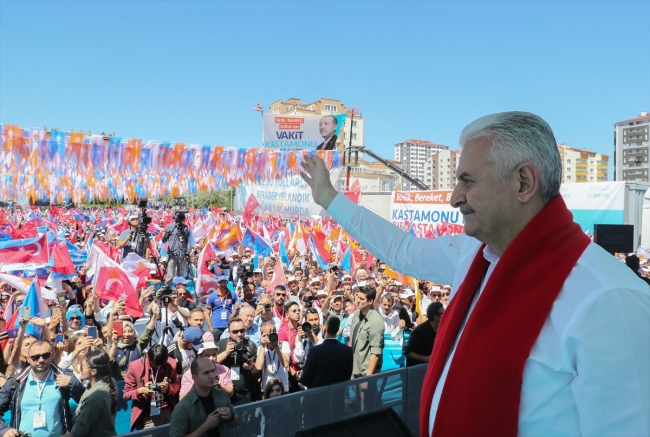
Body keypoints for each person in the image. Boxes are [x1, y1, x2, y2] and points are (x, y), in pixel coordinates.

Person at [299, 111, 650, 437]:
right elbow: (403, 251)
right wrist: (329, 198)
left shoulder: (610, 300)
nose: (454, 198)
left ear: (524, 182)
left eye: (467, 181)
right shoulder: (475, 253)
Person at [0, 340, 85, 437]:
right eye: (35, 357)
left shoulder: (65, 377)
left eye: (45, 355)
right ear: (28, 359)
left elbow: (88, 403)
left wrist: (72, 384)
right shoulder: (16, 382)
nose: (40, 360)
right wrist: (4, 430)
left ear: (52, 355)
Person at [169, 357, 239, 437]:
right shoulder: (182, 407)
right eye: (206, 373)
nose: (212, 376)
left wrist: (231, 417)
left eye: (213, 371)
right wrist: (205, 427)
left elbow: (234, 424)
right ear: (194, 378)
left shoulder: (221, 394)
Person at [123, 344, 180, 431]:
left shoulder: (171, 364)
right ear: (147, 357)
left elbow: (177, 385)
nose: (158, 367)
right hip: (147, 415)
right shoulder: (135, 366)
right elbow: (126, 394)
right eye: (155, 365)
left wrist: (168, 388)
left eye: (161, 365)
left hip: (167, 412)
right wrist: (140, 391)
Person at [61, 350, 117, 437]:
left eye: (82, 366)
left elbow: (77, 433)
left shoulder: (95, 398)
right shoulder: (110, 381)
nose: (80, 369)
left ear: (93, 371)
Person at [299, 315, 353, 388]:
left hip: (317, 396)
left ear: (324, 328)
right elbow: (347, 376)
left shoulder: (314, 351)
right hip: (338, 396)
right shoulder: (348, 351)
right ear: (337, 329)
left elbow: (305, 380)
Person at [215, 318, 259, 405]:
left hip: (244, 395)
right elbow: (211, 362)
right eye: (235, 332)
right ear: (229, 332)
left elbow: (257, 368)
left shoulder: (250, 345)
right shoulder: (221, 344)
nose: (239, 334)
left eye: (242, 331)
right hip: (224, 394)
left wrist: (251, 367)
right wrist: (226, 352)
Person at [402, 302, 444, 367]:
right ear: (435, 316)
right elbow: (406, 351)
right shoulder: (420, 331)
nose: (445, 315)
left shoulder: (440, 329)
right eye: (442, 314)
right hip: (416, 371)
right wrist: (425, 358)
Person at [254, 321, 290, 393]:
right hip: (267, 389)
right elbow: (258, 367)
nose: (269, 337)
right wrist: (263, 346)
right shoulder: (261, 348)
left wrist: (276, 346)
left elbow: (285, 364)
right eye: (266, 335)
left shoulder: (284, 345)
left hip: (283, 388)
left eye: (271, 334)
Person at [205, 275, 238, 342]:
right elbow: (207, 314)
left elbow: (237, 308)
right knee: (217, 347)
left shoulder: (233, 295)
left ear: (227, 283)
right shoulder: (212, 297)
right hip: (216, 327)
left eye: (224, 282)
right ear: (217, 283)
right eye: (221, 282)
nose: (223, 284)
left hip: (228, 326)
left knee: (229, 345)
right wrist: (211, 328)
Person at [162, 212, 191, 286]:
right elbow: (164, 241)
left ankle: (180, 289)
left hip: (182, 254)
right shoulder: (169, 227)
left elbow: (188, 241)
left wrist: (187, 253)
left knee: (181, 276)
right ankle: (167, 289)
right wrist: (164, 236)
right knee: (170, 275)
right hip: (172, 254)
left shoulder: (186, 228)